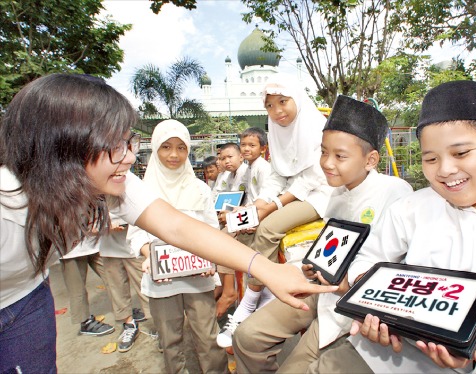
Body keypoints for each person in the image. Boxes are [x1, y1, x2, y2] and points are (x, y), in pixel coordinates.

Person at [0, 73, 336, 374]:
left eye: (128, 143)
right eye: (114, 146)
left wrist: (264, 268)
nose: (131, 157)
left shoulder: (118, 180)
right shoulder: (6, 214)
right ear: (62, 148)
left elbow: (177, 227)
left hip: (30, 294)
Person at [306, 81, 476, 374]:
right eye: (430, 158)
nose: (444, 170)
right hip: (400, 357)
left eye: (461, 153)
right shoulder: (411, 208)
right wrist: (378, 305)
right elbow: (367, 260)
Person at [232, 95, 413, 373]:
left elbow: (398, 267)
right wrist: (312, 263)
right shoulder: (336, 195)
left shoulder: (396, 193)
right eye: (323, 152)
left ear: (371, 159)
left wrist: (349, 282)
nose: (327, 163)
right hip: (319, 288)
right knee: (246, 337)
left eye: (339, 156)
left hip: (353, 304)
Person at [217, 73, 333, 348]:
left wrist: (273, 205)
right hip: (290, 193)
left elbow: (313, 177)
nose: (277, 111)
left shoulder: (316, 126)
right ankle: (250, 292)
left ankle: (251, 300)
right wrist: (261, 202)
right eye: (270, 106)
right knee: (233, 225)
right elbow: (278, 175)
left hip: (319, 195)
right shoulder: (277, 130)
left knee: (267, 227)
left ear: (297, 98)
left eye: (283, 102)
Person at [129, 119, 228, 373]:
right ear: (155, 149)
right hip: (161, 279)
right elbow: (135, 233)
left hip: (197, 275)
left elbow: (210, 230)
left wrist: (211, 260)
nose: (174, 154)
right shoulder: (141, 191)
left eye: (181, 148)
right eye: (166, 147)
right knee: (170, 340)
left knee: (208, 337)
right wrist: (147, 254)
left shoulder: (200, 189)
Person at [216, 127, 273, 319]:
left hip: (260, 214)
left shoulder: (262, 168)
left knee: (224, 238)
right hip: (252, 212)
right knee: (219, 233)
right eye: (243, 145)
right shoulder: (249, 167)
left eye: (252, 145)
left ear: (263, 148)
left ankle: (229, 291)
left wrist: (238, 217)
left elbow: (265, 199)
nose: (246, 149)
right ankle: (227, 288)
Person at [99, 213, 150, 353]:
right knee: (116, 288)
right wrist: (96, 225)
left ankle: (159, 326)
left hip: (136, 246)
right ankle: (129, 324)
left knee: (146, 286)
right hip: (109, 245)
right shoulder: (92, 193)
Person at [60, 238, 115, 337]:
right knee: (77, 289)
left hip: (93, 243)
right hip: (70, 249)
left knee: (114, 278)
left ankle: (124, 311)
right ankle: (85, 322)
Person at [215, 142, 248, 227]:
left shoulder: (246, 172)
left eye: (230, 157)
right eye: (223, 159)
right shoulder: (228, 175)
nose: (226, 161)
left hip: (245, 216)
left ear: (241, 157)